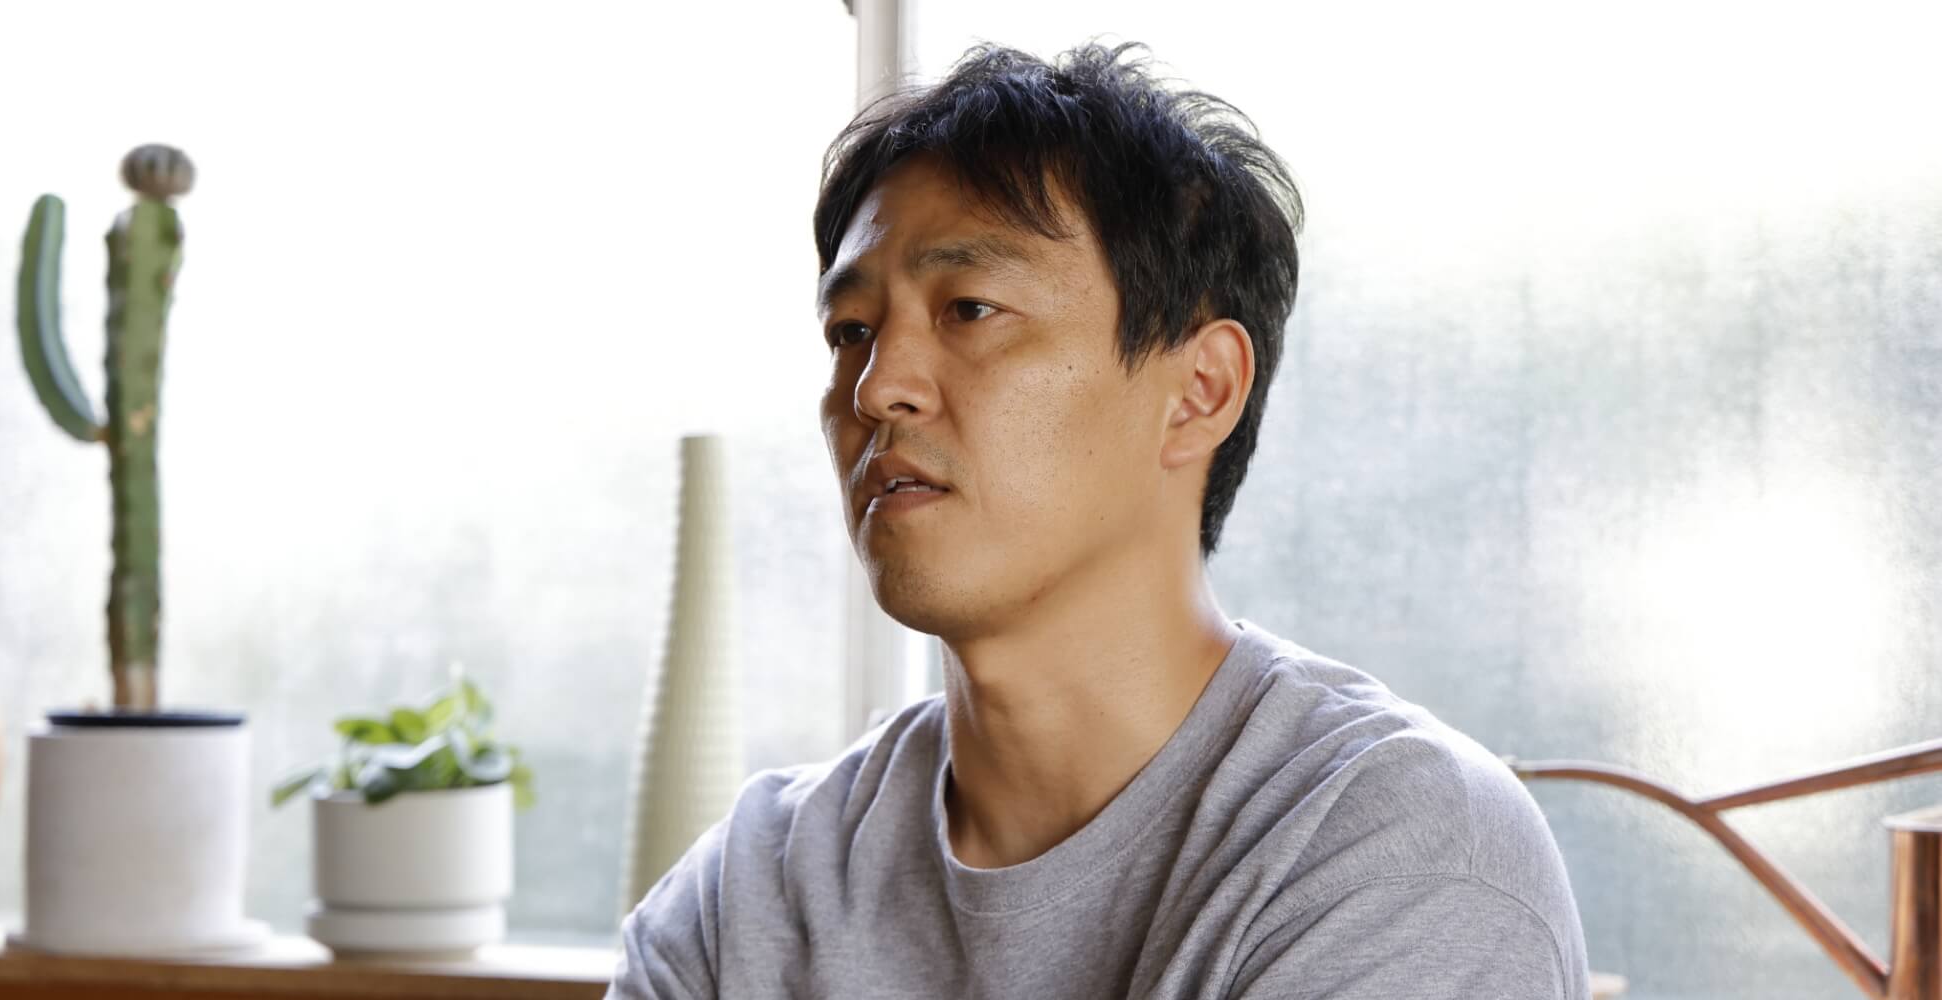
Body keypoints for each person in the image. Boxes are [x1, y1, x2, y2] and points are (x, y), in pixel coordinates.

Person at [608, 41, 1590, 1000]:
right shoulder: (751, 889)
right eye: (851, 331)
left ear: (1199, 390)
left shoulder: (1396, 856)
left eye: (969, 309)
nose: (876, 387)